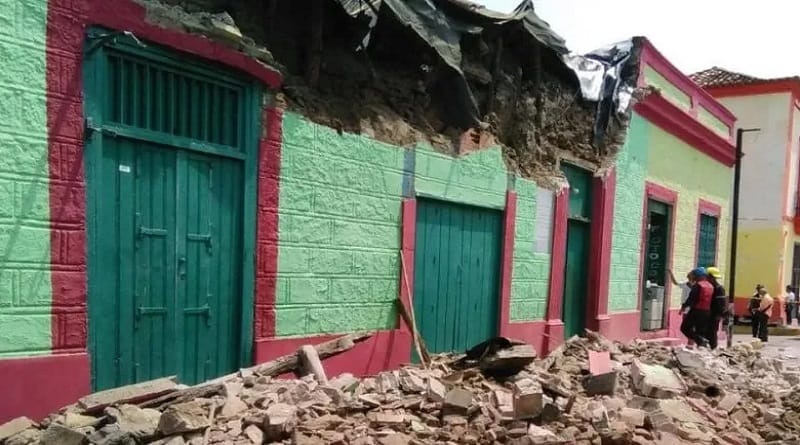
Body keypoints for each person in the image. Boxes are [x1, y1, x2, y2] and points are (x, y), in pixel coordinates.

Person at [680, 268, 714, 348]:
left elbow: (692, 298)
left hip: (696, 310)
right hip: (706, 311)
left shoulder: (698, 285)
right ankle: (701, 347)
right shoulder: (710, 285)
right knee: (700, 330)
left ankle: (700, 340)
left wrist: (684, 306)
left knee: (685, 328)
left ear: (698, 276)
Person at [705, 266, 727, 349]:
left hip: (714, 315)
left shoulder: (719, 289)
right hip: (707, 314)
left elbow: (721, 304)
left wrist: (720, 315)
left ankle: (713, 349)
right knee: (706, 333)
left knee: (712, 333)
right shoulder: (710, 287)